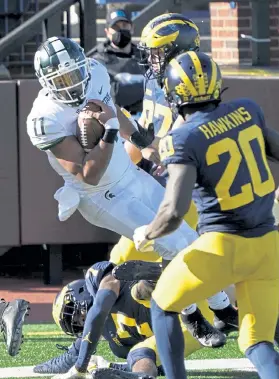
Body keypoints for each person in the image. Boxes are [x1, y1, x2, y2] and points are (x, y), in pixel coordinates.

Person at [26, 36, 225, 347]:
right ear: (46, 83)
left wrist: (144, 140)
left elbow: (112, 108)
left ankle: (222, 306)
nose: (72, 83)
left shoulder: (96, 72)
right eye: (61, 79)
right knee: (173, 244)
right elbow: (90, 175)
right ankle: (191, 313)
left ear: (84, 66)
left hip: (130, 175)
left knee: (191, 238)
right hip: (102, 196)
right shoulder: (44, 119)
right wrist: (109, 130)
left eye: (75, 73)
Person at [132, 50, 279, 379]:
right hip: (268, 245)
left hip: (221, 247)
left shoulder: (181, 138)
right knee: (256, 339)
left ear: (173, 93)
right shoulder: (247, 109)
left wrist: (147, 233)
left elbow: (174, 212)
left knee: (164, 304)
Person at [109, 13, 238, 338]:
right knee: (121, 258)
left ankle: (185, 318)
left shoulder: (193, 88)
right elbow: (148, 138)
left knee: (185, 258)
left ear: (175, 52)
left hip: (185, 190)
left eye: (157, 52)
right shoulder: (157, 80)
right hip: (154, 187)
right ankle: (135, 323)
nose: (150, 59)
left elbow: (183, 143)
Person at [34, 261, 216, 379]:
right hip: (195, 329)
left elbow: (98, 311)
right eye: (76, 324)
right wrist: (109, 366)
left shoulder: (99, 282)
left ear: (80, 292)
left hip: (180, 300)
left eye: (75, 314)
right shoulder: (117, 346)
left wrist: (81, 366)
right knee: (140, 355)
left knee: (137, 292)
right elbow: (162, 366)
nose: (81, 320)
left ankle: (156, 277)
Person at [88, 9, 144, 116]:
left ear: (132, 28)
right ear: (107, 32)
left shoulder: (144, 56)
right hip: (116, 121)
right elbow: (113, 94)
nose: (121, 30)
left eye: (124, 25)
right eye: (115, 27)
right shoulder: (97, 60)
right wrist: (147, 86)